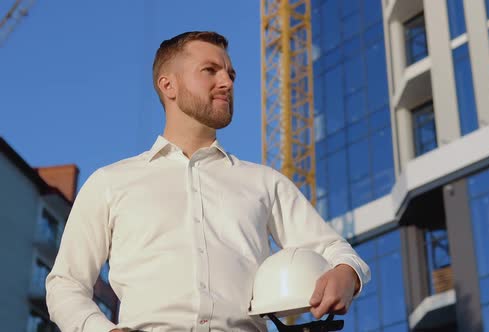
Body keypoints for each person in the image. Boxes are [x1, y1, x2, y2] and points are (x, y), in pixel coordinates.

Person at [46, 31, 370, 332]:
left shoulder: (264, 182)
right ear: (167, 85)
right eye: (210, 71)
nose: (226, 82)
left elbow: (335, 250)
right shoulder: (110, 183)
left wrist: (347, 273)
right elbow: (65, 284)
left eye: (230, 74)